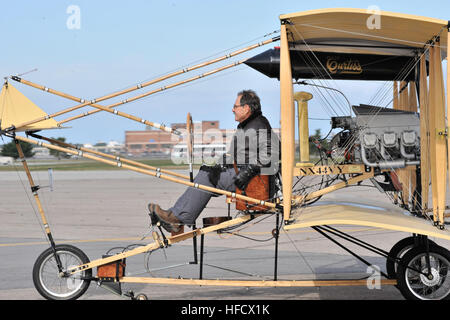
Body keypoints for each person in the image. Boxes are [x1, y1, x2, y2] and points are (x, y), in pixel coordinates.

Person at [148, 90, 279, 233]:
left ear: (246, 108)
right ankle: (176, 217)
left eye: (235, 106)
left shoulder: (257, 125)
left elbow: (270, 153)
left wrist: (247, 173)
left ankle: (176, 218)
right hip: (245, 174)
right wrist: (220, 162)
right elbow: (236, 154)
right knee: (207, 170)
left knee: (207, 176)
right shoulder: (250, 124)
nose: (232, 109)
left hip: (251, 180)